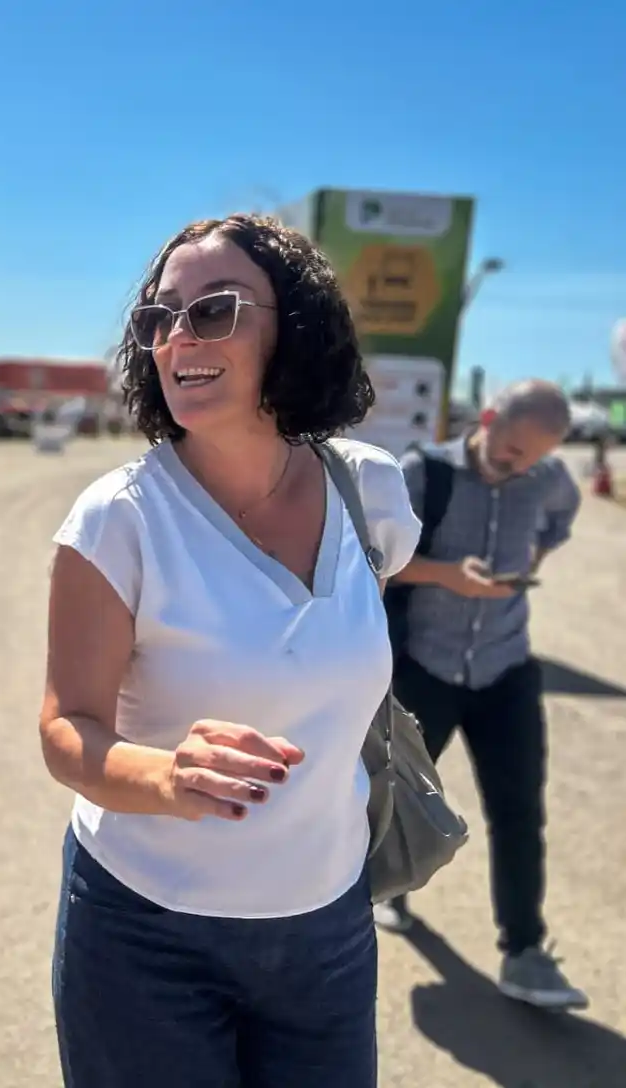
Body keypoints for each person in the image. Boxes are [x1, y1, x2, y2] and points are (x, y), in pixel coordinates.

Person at [39, 214, 420, 1087]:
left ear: (295, 326)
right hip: (146, 931)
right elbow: (67, 729)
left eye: (213, 311)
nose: (177, 338)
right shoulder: (118, 517)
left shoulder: (372, 491)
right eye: (158, 319)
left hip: (326, 925)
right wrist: (167, 778)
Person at [373, 379, 588, 1010]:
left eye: (532, 457)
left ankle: (524, 952)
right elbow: (382, 560)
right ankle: (390, 891)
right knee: (405, 792)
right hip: (427, 665)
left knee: (520, 811)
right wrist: (449, 576)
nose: (517, 465)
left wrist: (531, 562)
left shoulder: (550, 480)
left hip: (506, 668)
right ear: (488, 416)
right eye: (511, 449)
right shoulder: (424, 472)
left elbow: (559, 522)